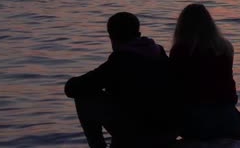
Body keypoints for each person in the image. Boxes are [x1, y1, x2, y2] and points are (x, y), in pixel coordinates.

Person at [64, 12, 176, 148]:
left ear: (111, 37)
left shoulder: (120, 60)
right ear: (138, 33)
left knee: (84, 97)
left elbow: (72, 89)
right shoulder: (160, 54)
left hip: (139, 134)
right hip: (168, 132)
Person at [169, 3, 240, 140]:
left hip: (198, 124)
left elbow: (176, 88)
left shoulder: (182, 50)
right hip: (229, 121)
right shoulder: (224, 47)